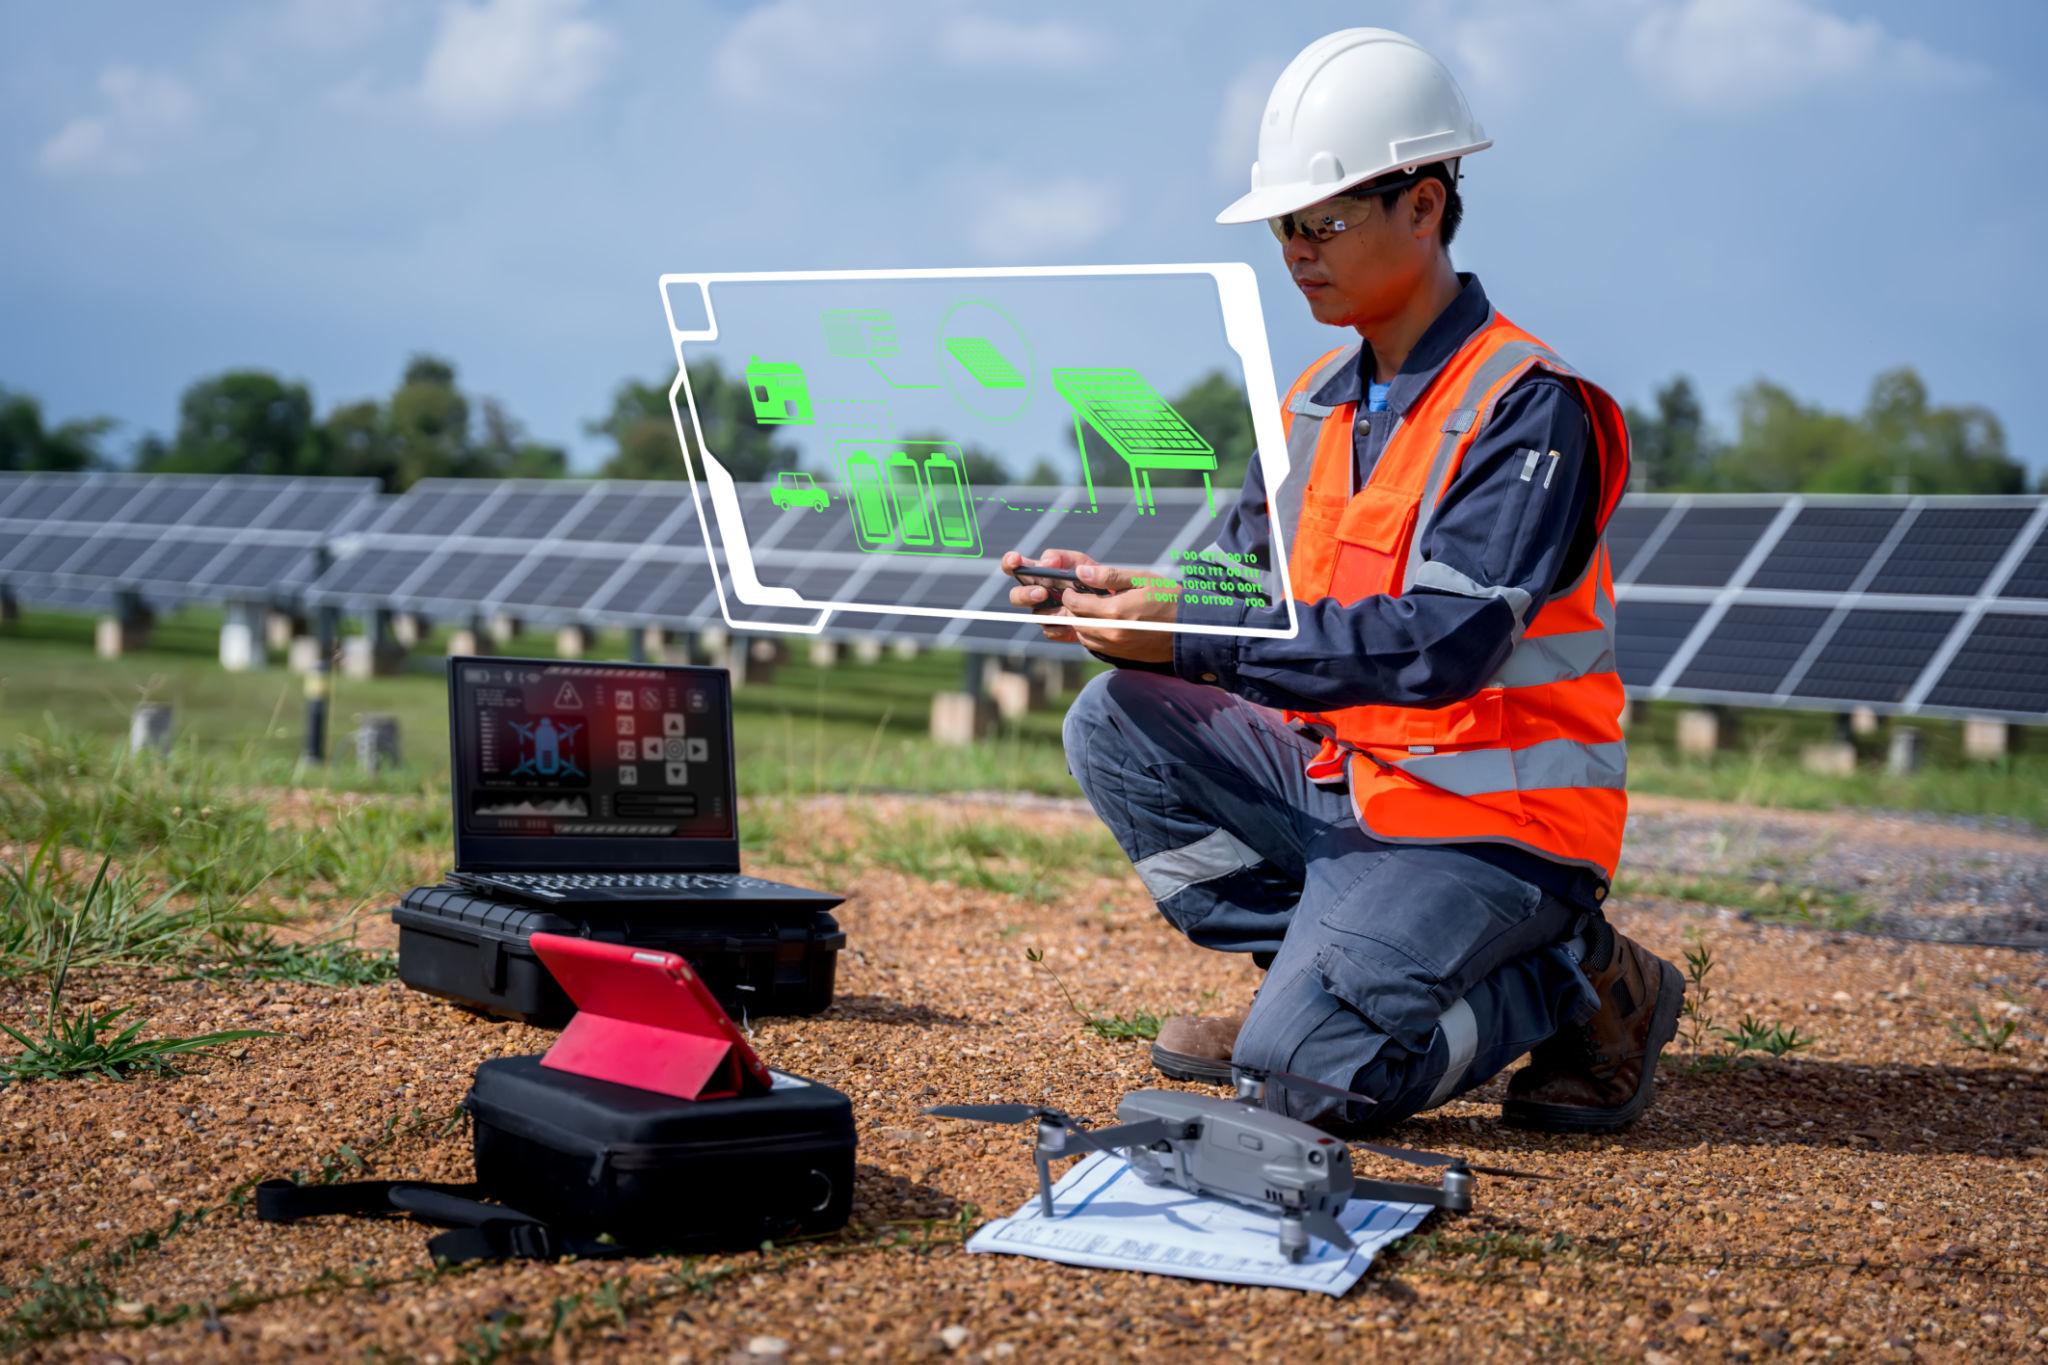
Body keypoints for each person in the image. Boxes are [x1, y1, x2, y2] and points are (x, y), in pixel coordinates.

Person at [1001, 27, 1682, 1134]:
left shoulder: (1527, 408)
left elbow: (1438, 645)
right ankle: (1312, 984)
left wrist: (1191, 635)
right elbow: (1231, 582)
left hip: (1493, 824)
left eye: (1320, 223)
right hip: (1350, 789)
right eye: (1283, 228)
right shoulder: (1319, 401)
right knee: (1116, 721)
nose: (1296, 252)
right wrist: (1119, 592)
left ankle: (1573, 978)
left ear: (1422, 207)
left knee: (1302, 1086)